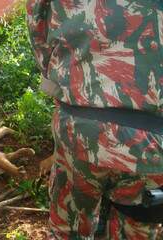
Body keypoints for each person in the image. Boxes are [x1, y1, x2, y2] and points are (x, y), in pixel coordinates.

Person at [27, 1, 163, 239]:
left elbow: (37, 29)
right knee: (137, 227)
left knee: (68, 230)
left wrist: (67, 81)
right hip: (149, 139)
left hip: (79, 126)